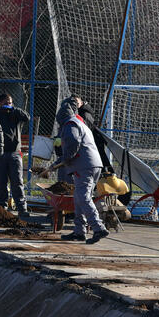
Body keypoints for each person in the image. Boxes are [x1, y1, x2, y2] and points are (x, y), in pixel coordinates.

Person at [39, 95, 109, 241]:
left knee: (83, 197)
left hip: (85, 166)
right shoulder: (78, 122)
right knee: (79, 198)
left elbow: (71, 151)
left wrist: (52, 167)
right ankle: (79, 231)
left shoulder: (70, 125)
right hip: (90, 164)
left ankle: (98, 228)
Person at [0, 93, 31, 219]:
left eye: (10, 102)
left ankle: (21, 208)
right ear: (0, 103)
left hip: (15, 153)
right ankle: (1, 207)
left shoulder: (16, 114)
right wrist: (0, 110)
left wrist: (14, 109)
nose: (8, 105)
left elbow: (27, 117)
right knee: (1, 182)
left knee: (17, 181)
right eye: (5, 103)